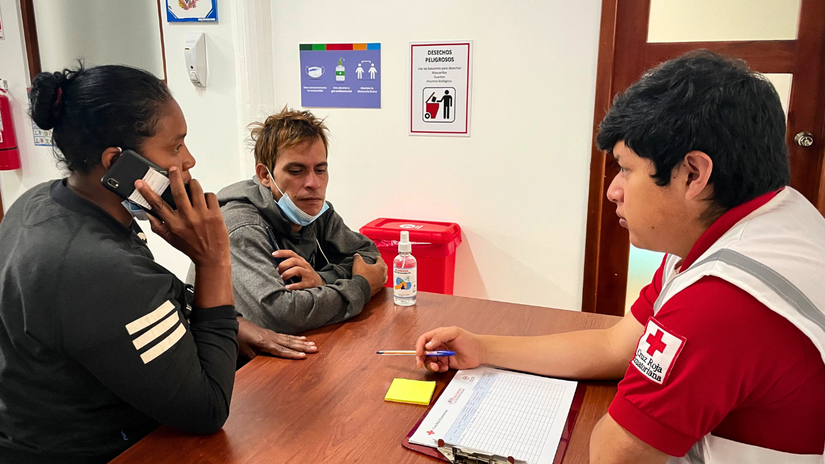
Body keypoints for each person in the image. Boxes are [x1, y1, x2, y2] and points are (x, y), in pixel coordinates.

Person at [416, 51, 825, 464]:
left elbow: (616, 455)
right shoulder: (771, 216)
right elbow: (616, 345)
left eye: (626, 169)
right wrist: (481, 347)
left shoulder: (724, 300)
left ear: (693, 174)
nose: (614, 190)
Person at [0, 64, 296, 463]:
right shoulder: (93, 265)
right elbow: (207, 410)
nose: (188, 160)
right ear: (116, 164)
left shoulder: (42, 200)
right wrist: (213, 261)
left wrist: (234, 324)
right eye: (175, 147)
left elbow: (142, 298)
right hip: (105, 450)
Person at [188, 107, 387, 336]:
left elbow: (368, 256)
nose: (313, 183)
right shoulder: (241, 227)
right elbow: (282, 313)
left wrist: (322, 279)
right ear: (265, 176)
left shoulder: (315, 210)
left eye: (320, 169)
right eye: (296, 171)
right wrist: (360, 287)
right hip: (240, 362)